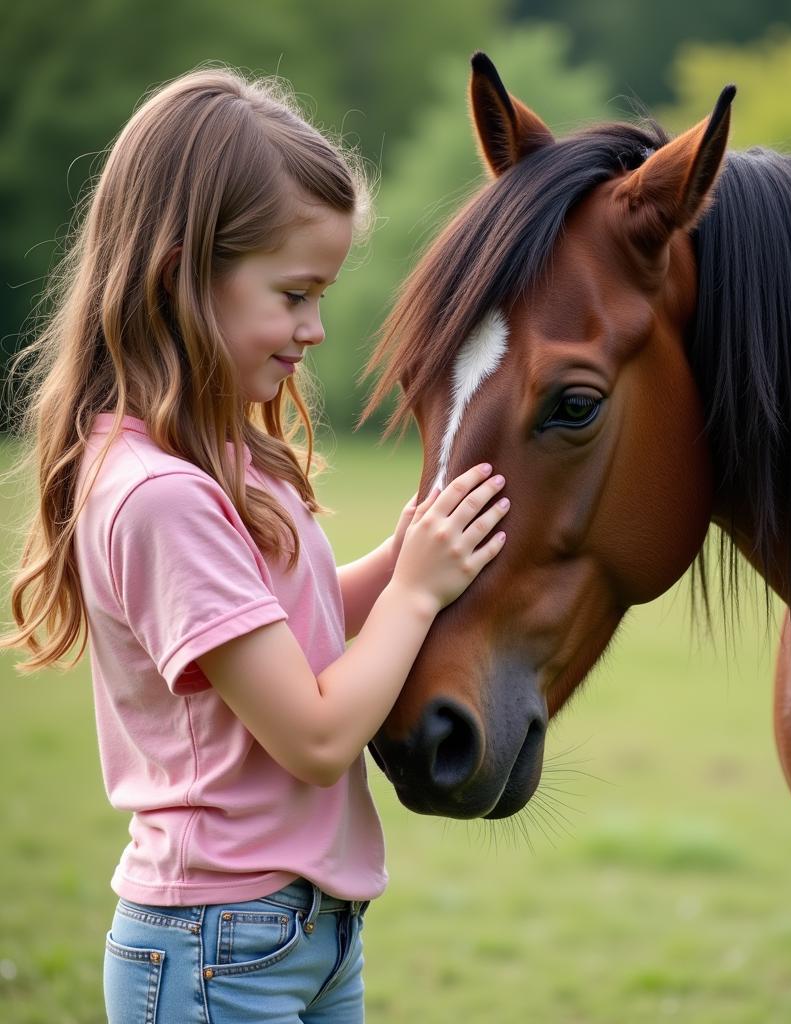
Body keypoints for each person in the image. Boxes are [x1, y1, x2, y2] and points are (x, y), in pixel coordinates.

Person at [0, 66, 509, 1023]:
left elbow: (289, 629)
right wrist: (413, 598)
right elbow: (314, 736)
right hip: (215, 944)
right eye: (294, 294)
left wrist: (401, 562)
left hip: (299, 932)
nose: (316, 329)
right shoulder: (159, 497)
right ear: (182, 273)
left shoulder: (229, 455)